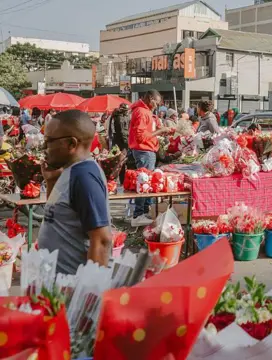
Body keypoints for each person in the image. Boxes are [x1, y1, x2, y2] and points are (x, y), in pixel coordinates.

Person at [38, 110, 113, 274]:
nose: (44, 147)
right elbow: (57, 214)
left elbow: (101, 240)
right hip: (58, 285)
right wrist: (51, 181)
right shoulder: (69, 172)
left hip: (73, 289)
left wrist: (88, 293)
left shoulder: (83, 177)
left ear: (72, 144)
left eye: (49, 141)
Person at [128, 90, 173, 226]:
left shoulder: (146, 111)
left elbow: (148, 132)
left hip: (147, 150)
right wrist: (161, 131)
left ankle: (145, 211)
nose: (157, 106)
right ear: (150, 98)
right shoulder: (141, 112)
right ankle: (138, 215)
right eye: (156, 103)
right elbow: (141, 136)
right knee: (144, 183)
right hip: (144, 150)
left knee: (147, 183)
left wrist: (164, 131)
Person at [109, 104, 130, 184]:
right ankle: (121, 180)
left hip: (115, 142)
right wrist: (127, 143)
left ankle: (114, 180)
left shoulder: (114, 116)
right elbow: (122, 132)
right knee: (121, 162)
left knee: (116, 161)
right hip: (122, 143)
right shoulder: (121, 118)